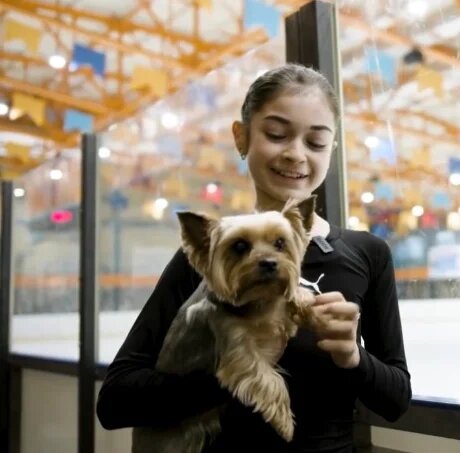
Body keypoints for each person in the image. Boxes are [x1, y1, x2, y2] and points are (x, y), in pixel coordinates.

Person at [97, 64, 412, 452]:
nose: (296, 154)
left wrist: (353, 357)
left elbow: (396, 400)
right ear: (241, 137)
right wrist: (234, 367)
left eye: (315, 142)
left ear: (332, 150)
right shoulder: (210, 257)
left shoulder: (368, 254)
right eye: (276, 134)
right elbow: (114, 402)